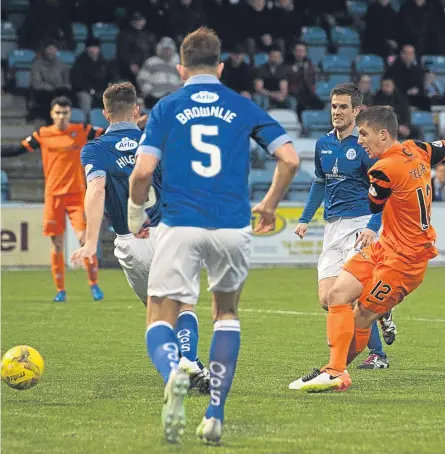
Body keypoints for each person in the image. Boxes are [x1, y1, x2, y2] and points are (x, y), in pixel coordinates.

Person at [127, 27, 299, 444]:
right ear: (221, 66)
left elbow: (143, 172)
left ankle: (173, 374)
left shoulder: (167, 106)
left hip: (180, 224)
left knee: (159, 312)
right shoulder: (243, 105)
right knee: (225, 314)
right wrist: (271, 204)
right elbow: (290, 159)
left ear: (181, 67)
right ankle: (215, 415)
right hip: (233, 225)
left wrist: (136, 214)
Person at [291, 106, 444, 392]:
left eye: (364, 134)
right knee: (337, 294)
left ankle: (336, 370)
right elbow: (441, 149)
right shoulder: (417, 149)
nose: (360, 141)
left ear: (383, 134)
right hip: (383, 246)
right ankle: (333, 369)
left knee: (361, 315)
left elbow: (374, 204)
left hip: (405, 261)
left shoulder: (383, 169)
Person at [70, 82, 210, 393]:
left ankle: (178, 368)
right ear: (136, 109)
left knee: (157, 311)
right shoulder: (156, 140)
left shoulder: (94, 149)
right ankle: (188, 359)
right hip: (168, 233)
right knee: (184, 305)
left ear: (104, 113)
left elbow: (95, 190)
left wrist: (91, 242)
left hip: (130, 242)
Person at [290, 83, 396, 379]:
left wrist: (373, 227)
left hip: (360, 224)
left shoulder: (364, 147)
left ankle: (376, 355)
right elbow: (319, 183)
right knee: (327, 299)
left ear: (357, 111)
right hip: (332, 227)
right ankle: (382, 306)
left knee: (347, 295)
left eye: (343, 107)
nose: (337, 112)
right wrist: (304, 218)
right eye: (334, 106)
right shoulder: (323, 144)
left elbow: (382, 191)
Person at [1, 96, 104, 303]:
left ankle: (93, 284)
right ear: (51, 114)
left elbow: (108, 134)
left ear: (70, 114)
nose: (61, 116)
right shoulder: (43, 134)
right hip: (53, 196)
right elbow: (17, 150)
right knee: (56, 244)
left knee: (85, 239)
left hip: (76, 196)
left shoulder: (82, 130)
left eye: (65, 113)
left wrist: (132, 127)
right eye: (58, 112)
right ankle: (60, 290)